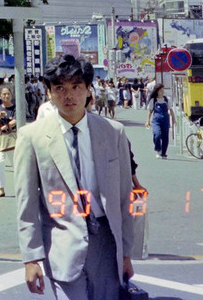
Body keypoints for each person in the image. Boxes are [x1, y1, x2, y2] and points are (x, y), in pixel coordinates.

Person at [16, 55, 134, 300]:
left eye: (76, 87)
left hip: (106, 240)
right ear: (49, 92)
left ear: (88, 90)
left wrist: (126, 252)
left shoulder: (113, 132)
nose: (68, 95)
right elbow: (26, 203)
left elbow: (125, 197)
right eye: (59, 88)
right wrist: (31, 258)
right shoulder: (32, 137)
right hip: (62, 239)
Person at [0, 85, 17, 199]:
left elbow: (15, 121)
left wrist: (1, 128)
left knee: (16, 164)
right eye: (4, 94)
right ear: (0, 96)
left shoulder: (15, 108)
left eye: (8, 94)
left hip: (12, 139)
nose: (6, 96)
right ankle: (1, 187)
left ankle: (20, 187)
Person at [144, 85, 171, 159]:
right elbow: (150, 111)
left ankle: (163, 153)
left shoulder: (166, 99)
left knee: (165, 137)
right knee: (157, 134)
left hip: (165, 120)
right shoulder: (154, 100)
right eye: (160, 90)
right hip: (156, 120)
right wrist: (148, 121)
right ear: (157, 91)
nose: (162, 92)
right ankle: (158, 149)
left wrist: (173, 120)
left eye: (163, 90)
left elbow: (170, 110)